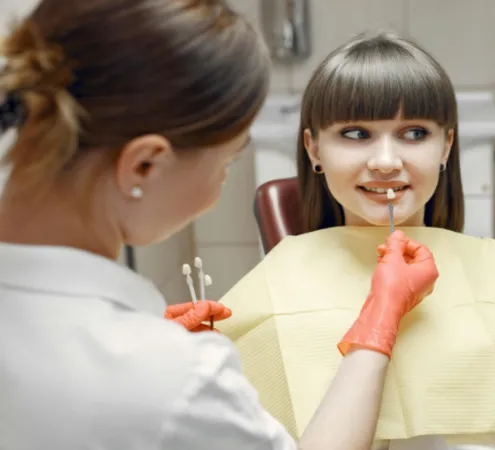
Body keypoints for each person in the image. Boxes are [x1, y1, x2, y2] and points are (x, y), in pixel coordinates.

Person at [0, 2, 438, 449]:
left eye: (415, 133)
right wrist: (379, 321)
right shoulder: (171, 377)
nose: (386, 162)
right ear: (145, 165)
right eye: (227, 161)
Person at [218, 32, 495, 450]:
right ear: (313, 149)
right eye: (355, 134)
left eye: (414, 133)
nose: (385, 162)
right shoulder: (270, 291)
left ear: (447, 146)